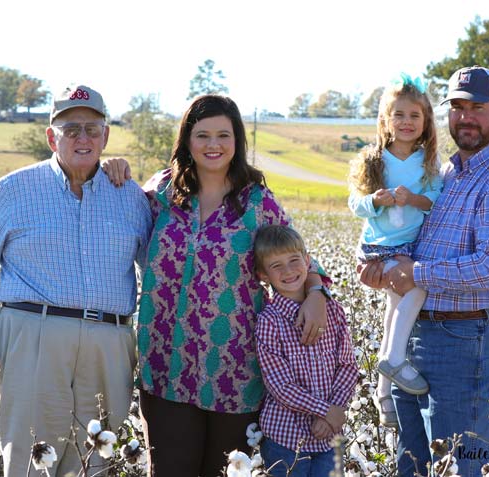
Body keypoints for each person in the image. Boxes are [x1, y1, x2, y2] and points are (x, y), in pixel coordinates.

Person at [103, 94, 331, 477]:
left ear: (237, 141)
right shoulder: (159, 194)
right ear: (187, 141)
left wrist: (317, 291)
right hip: (167, 366)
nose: (213, 145)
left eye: (223, 135)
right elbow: (113, 215)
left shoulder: (256, 202)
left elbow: (297, 256)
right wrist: (112, 166)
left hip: (236, 372)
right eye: (203, 135)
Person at [0, 84, 152, 477]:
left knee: (95, 462)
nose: (83, 138)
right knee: (30, 460)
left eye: (92, 129)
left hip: (110, 343)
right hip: (35, 335)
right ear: (52, 137)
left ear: (106, 136)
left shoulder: (130, 195)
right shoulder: (16, 188)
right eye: (72, 129)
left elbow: (161, 269)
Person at [358, 66, 489, 476]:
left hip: (465, 341)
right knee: (413, 467)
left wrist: (415, 275)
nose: (466, 117)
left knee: (459, 466)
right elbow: (403, 238)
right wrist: (375, 264)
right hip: (417, 337)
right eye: (457, 107)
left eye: (477, 107)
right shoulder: (443, 175)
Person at [347, 75, 443, 429]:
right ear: (385, 121)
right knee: (417, 287)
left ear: (425, 123)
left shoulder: (427, 162)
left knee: (394, 310)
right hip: (378, 250)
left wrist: (413, 198)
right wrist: (376, 200)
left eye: (414, 116)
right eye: (398, 115)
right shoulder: (373, 160)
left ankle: (383, 393)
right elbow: (354, 204)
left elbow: (434, 202)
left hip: (408, 249)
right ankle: (393, 360)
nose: (406, 122)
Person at [253, 225, 359, 477]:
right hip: (285, 439)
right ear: (262, 275)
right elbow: (280, 386)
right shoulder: (269, 321)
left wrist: (334, 410)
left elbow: (347, 366)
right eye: (276, 266)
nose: (288, 271)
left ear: (308, 262)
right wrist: (326, 411)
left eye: (294, 260)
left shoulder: (332, 311)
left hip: (329, 436)